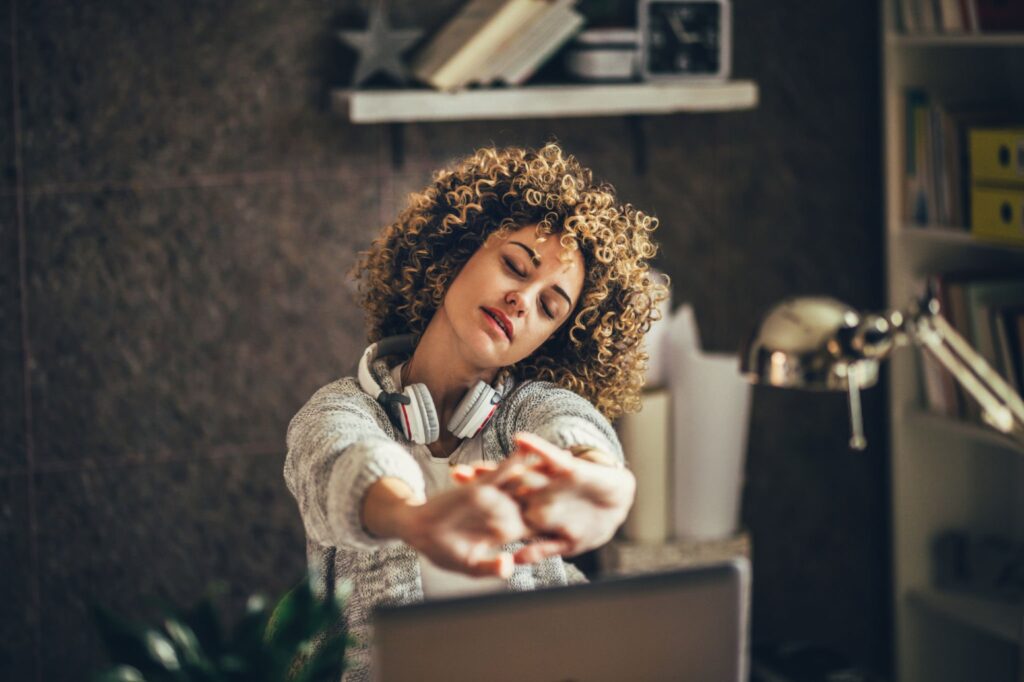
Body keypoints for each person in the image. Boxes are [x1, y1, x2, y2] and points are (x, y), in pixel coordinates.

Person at [284, 142, 666, 680]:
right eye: (515, 265)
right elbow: (342, 461)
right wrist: (412, 520)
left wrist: (608, 484)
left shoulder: (527, 410)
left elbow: (573, 431)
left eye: (549, 306)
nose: (522, 300)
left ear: (549, 342)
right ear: (457, 252)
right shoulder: (340, 410)